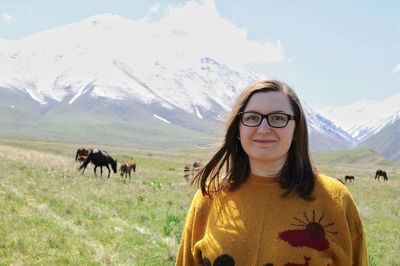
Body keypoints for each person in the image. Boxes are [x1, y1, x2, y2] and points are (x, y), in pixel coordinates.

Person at [176, 79, 367, 266]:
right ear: (238, 128)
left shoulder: (335, 200)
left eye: (278, 118)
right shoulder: (208, 198)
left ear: (296, 129)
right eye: (252, 117)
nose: (264, 128)